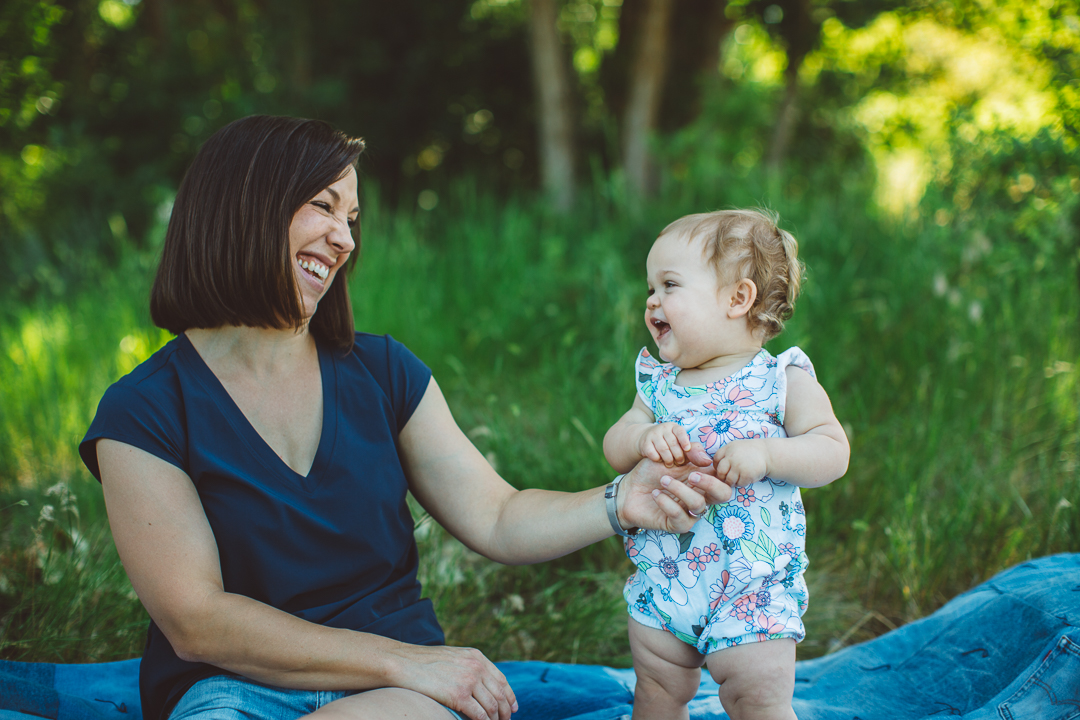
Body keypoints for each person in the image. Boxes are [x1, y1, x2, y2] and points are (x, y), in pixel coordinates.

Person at [77, 116, 733, 720]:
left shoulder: (384, 373)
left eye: (353, 217)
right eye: (324, 206)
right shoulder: (143, 411)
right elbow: (198, 621)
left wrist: (622, 499)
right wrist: (410, 660)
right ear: (245, 207)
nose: (344, 237)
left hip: (394, 700)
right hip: (232, 691)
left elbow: (498, 517)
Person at [602, 210, 850, 720]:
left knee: (756, 700)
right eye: (649, 286)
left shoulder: (781, 381)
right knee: (654, 693)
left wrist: (768, 453)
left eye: (669, 284)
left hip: (750, 587)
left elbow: (833, 450)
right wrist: (643, 436)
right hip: (665, 581)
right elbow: (615, 444)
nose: (651, 300)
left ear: (737, 299)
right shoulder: (658, 385)